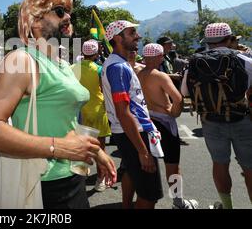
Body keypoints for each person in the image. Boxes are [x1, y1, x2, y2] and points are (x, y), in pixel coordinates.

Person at [0, 0, 116, 209]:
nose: (68, 17)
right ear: (35, 20)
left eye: (69, 12)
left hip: (73, 174)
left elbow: (65, 120)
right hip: (43, 185)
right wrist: (59, 147)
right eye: (60, 11)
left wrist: (96, 152)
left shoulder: (62, 64)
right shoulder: (22, 60)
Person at [181, 23, 252, 209]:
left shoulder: (195, 62)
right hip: (241, 119)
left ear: (208, 42)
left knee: (220, 164)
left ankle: (227, 206)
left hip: (210, 121)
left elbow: (185, 92)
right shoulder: (244, 60)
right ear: (229, 39)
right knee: (250, 167)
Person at [102, 20, 164, 209]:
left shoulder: (119, 64)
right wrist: (143, 151)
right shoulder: (118, 67)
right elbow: (122, 112)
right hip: (133, 135)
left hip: (132, 134)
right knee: (149, 196)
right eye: (132, 32)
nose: (138, 36)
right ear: (117, 38)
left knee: (132, 175)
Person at [137, 43, 198, 209]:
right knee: (172, 165)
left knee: (149, 164)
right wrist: (174, 113)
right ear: (159, 57)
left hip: (146, 121)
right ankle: (178, 202)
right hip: (164, 122)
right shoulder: (160, 76)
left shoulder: (138, 73)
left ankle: (147, 198)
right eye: (162, 55)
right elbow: (178, 98)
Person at [71, 39, 111, 192]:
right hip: (97, 111)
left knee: (82, 146)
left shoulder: (72, 68)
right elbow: (104, 90)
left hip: (78, 111)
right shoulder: (99, 69)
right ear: (96, 53)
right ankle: (100, 179)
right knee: (100, 147)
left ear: (82, 52)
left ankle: (81, 176)